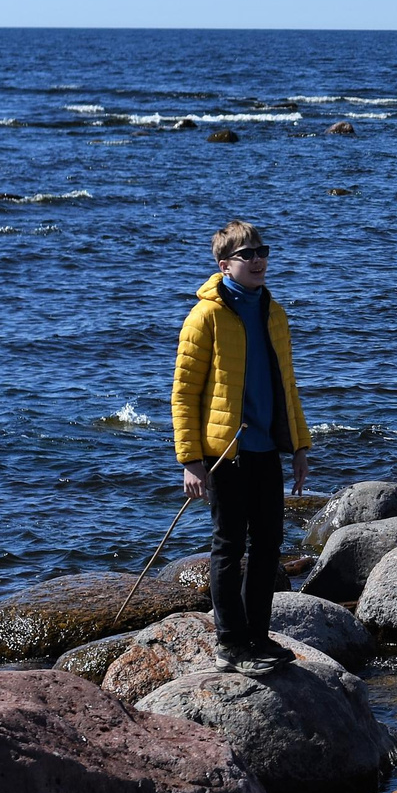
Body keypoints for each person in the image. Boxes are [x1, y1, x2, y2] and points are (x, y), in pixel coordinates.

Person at [171, 219, 313, 672]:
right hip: (224, 452)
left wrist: (300, 447)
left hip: (266, 448)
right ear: (224, 264)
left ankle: (257, 637)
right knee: (229, 546)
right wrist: (191, 459)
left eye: (262, 251)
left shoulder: (274, 312)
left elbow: (287, 387)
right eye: (246, 254)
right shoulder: (206, 315)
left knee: (269, 544)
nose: (257, 260)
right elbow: (184, 392)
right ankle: (230, 644)